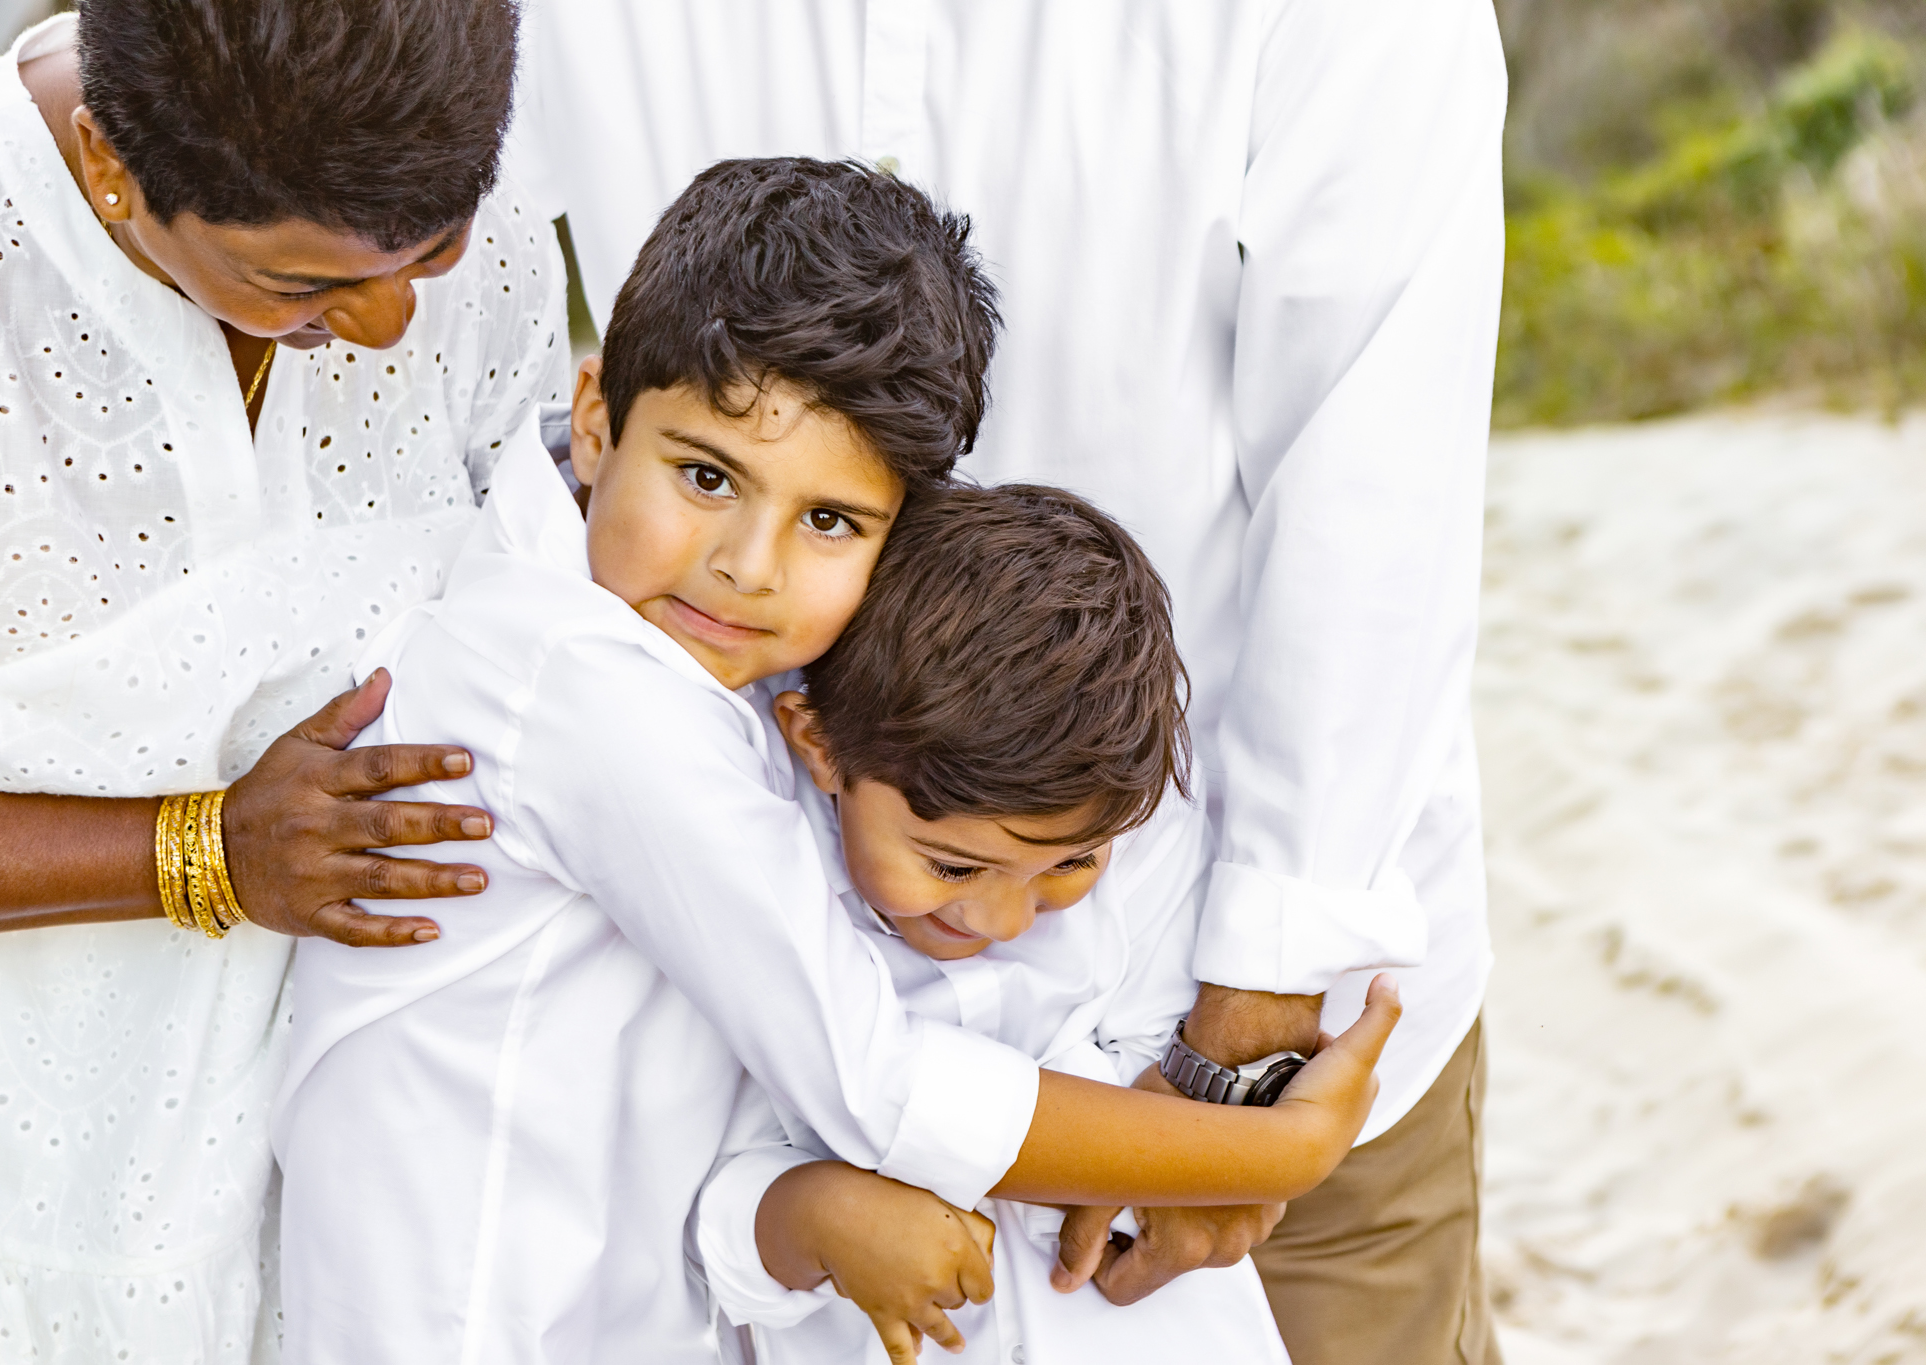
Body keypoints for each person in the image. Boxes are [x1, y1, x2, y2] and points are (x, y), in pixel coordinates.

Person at [505, 5, 1507, 1360]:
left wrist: (1248, 1044)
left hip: (1213, 967)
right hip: (766, 956)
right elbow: (440, 267)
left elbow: (1377, 478)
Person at [274, 157, 1398, 1365]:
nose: (747, 565)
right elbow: (872, 1080)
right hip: (474, 1320)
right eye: (706, 477)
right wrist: (1280, 1150)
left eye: (828, 521)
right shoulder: (581, 686)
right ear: (596, 418)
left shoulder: (696, 651)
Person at [0, 0, 565, 1356]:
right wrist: (198, 853)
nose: (386, 322)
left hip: (378, 1204)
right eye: (302, 287)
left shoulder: (452, 187)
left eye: (435, 249)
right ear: (107, 162)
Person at [693, 481, 1299, 1365]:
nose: (1005, 918)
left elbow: (1180, 1085)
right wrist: (814, 1214)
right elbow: (709, 1212)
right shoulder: (775, 917)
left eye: (1067, 865)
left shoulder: (1149, 856)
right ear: (817, 743)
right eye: (951, 865)